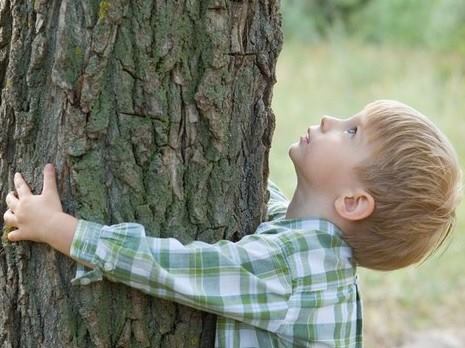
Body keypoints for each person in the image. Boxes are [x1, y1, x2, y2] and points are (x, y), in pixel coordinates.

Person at [3, 100, 463, 347]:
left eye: (351, 131)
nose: (329, 118)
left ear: (354, 202)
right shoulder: (316, 251)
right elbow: (278, 210)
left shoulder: (294, 270)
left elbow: (173, 268)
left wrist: (60, 229)